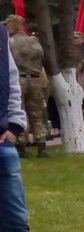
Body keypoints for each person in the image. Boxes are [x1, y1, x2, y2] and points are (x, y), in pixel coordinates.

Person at [0, 26, 79, 232]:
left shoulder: (1, 34)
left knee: (17, 224)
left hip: (3, 143)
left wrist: (15, 125)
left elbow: (9, 79)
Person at [5, 16, 48, 158]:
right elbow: (42, 62)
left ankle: (20, 145)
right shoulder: (35, 43)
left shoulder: (9, 42)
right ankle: (41, 144)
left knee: (19, 111)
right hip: (35, 80)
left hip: (18, 80)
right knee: (37, 114)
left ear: (12, 25)